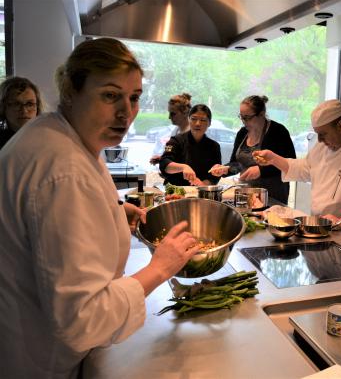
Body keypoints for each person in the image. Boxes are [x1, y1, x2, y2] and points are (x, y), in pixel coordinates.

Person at [0, 38, 201, 377]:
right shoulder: (64, 170)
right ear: (71, 92)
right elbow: (82, 320)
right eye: (110, 95)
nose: (126, 112)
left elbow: (43, 225)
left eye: (134, 97)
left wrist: (110, 213)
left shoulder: (51, 135)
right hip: (40, 361)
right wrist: (160, 268)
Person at [253, 99, 341, 247]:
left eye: (323, 134)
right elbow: (305, 168)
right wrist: (273, 158)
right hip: (321, 231)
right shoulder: (323, 146)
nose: (320, 140)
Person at [159, 104, 222, 186]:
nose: (198, 123)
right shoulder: (176, 141)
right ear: (188, 120)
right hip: (174, 190)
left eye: (203, 120)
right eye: (193, 119)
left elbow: (214, 176)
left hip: (200, 192)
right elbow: (164, 163)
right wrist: (183, 167)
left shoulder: (214, 146)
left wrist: (202, 185)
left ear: (209, 123)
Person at [0, 76, 44, 149]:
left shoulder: (46, 138)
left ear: (37, 107)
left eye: (30, 104)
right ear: (3, 108)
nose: (24, 110)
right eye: (16, 104)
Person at [149, 92, 192, 164]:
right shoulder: (175, 131)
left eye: (173, 114)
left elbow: (187, 163)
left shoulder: (192, 134)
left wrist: (164, 160)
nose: (169, 117)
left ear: (185, 113)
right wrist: (161, 158)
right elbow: (172, 153)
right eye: (169, 113)